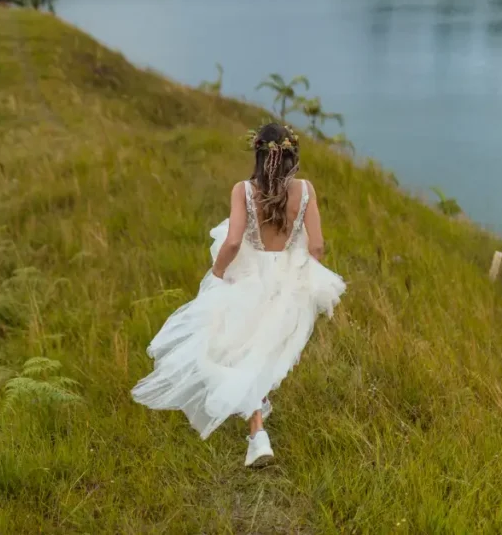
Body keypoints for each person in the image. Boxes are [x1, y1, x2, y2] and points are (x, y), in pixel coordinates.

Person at [131, 123, 345, 467]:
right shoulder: (305, 191)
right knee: (260, 352)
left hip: (248, 277)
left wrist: (217, 273)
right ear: (291, 156)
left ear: (258, 155)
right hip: (286, 279)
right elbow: (317, 245)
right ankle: (257, 434)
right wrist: (297, 269)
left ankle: (258, 435)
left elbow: (232, 242)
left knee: (241, 351)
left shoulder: (243, 191)